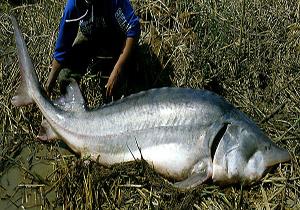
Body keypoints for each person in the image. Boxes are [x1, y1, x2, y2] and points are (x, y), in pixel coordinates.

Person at [45, 0, 140, 98]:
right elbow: (62, 47)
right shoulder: (73, 4)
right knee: (65, 75)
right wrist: (48, 85)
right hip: (89, 35)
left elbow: (133, 30)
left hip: (114, 37)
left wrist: (117, 71)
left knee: (113, 90)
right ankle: (76, 109)